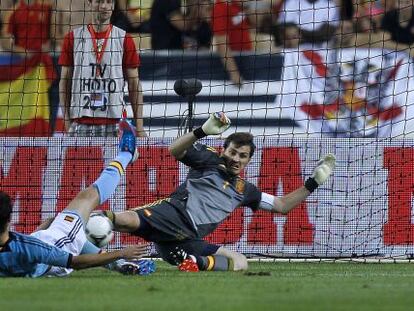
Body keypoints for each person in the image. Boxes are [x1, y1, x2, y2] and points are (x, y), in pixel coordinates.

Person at [101, 112, 336, 272]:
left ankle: (197, 262)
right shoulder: (209, 159)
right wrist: (202, 131)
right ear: (224, 150)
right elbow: (174, 150)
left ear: (248, 161)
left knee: (241, 261)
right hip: (172, 215)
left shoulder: (245, 190)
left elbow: (282, 206)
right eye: (233, 152)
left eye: (242, 156)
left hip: (187, 241)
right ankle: (81, 237)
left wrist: (312, 183)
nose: (236, 159)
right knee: (121, 221)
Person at [0, 119, 153, 277]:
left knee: (59, 226)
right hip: (60, 244)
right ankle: (127, 153)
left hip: (44, 244)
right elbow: (74, 262)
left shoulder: (24, 248)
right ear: (8, 220)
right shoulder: (30, 248)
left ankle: (120, 265)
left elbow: (29, 246)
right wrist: (120, 253)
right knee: (88, 196)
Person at [59, 0, 146, 137]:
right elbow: (64, 83)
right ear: (89, 3)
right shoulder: (72, 38)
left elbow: (134, 85)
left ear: (113, 5)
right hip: (81, 122)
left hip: (115, 122)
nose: (104, 6)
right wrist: (67, 121)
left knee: (116, 160)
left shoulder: (124, 39)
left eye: (109, 2)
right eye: (99, 1)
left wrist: (139, 128)